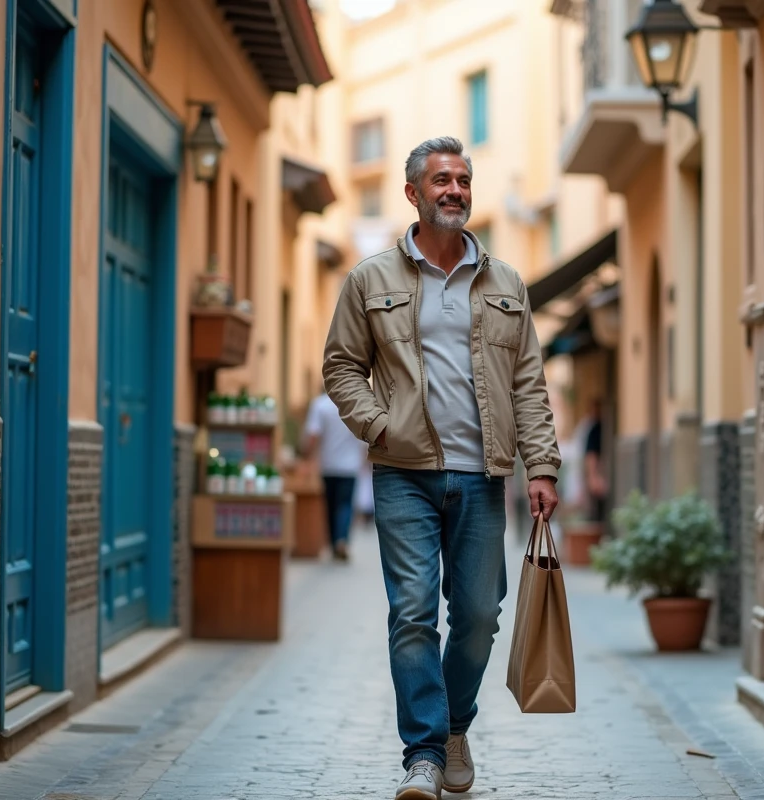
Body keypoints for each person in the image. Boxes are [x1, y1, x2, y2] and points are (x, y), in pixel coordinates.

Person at [323, 136, 561, 800]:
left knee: (481, 615)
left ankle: (456, 723)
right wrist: (379, 424)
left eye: (462, 179)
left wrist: (541, 466)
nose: (454, 190)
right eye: (440, 181)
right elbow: (341, 366)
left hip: (485, 476)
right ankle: (424, 753)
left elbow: (529, 386)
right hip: (404, 474)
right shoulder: (370, 279)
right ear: (413, 194)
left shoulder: (506, 283)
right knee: (413, 613)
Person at [301, 389, 367, 561]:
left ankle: (334, 542)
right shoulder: (355, 404)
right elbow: (364, 435)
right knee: (345, 505)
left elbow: (313, 435)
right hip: (350, 466)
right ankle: (341, 540)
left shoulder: (320, 404)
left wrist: (306, 457)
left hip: (328, 465)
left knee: (330, 505)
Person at [583, 399, 608, 523]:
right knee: (598, 515)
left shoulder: (603, 428)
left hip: (602, 476)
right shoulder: (594, 430)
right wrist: (594, 477)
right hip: (600, 478)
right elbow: (591, 456)